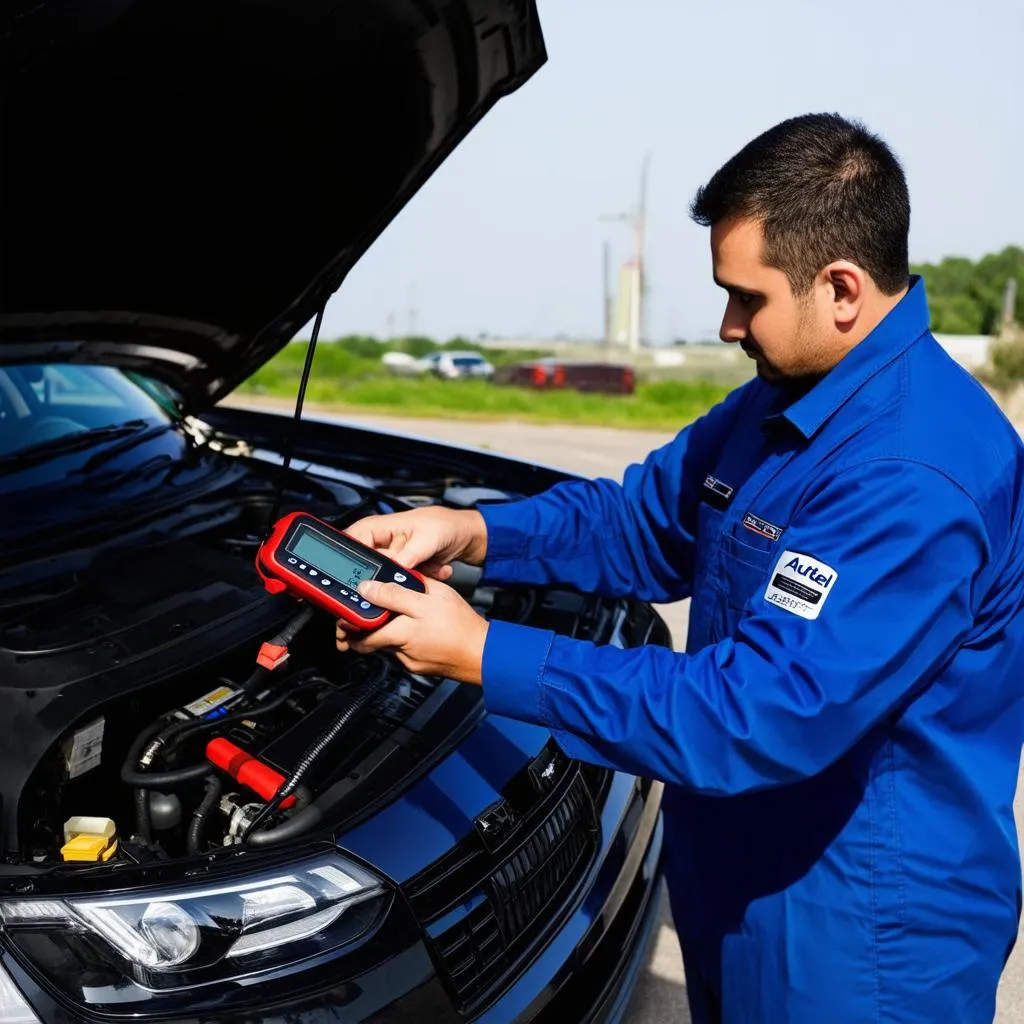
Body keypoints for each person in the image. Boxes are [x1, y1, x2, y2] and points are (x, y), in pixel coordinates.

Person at [334, 113, 1024, 1023]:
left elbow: (757, 711)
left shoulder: (912, 476)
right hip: (738, 873)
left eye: (747, 297)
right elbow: (638, 520)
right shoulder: (784, 402)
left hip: (859, 938)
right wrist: (469, 534)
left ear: (842, 289)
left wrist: (484, 653)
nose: (729, 323)